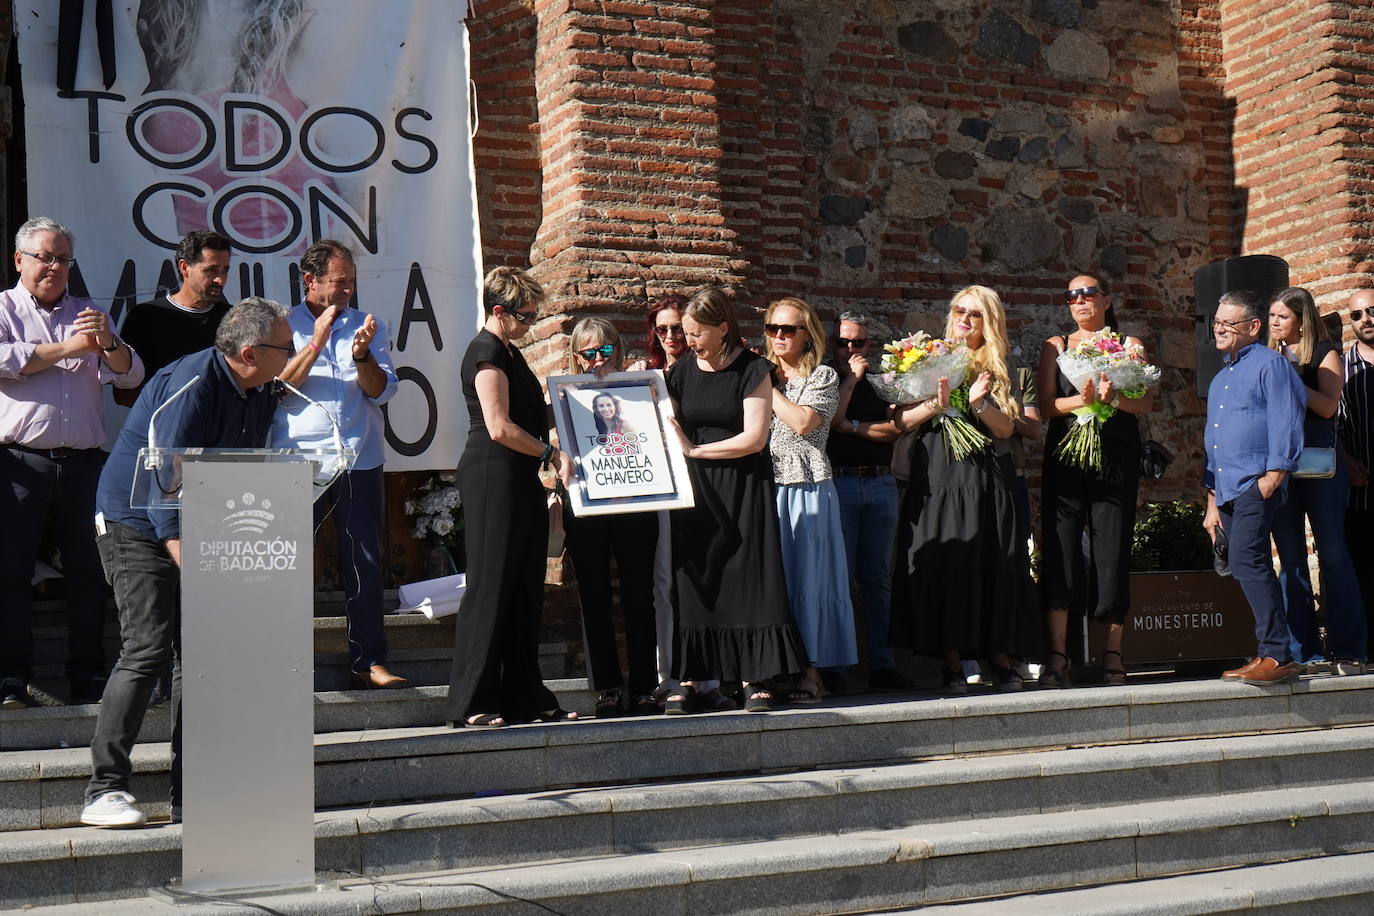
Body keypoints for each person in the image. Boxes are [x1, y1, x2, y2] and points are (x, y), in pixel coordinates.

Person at [79, 297, 292, 827]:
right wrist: (186, 554)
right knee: (148, 646)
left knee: (197, 656)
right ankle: (103, 790)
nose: (292, 354)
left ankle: (194, 789)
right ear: (249, 351)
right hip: (135, 520)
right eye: (285, 347)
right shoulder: (193, 381)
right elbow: (164, 473)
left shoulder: (256, 388)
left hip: (195, 523)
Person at [0, 217, 145, 710]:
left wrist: (109, 343)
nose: (55, 267)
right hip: (19, 463)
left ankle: (87, 676)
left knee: (89, 573)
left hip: (83, 465)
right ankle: (10, 681)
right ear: (20, 259)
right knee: (11, 572)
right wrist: (70, 348)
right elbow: (4, 361)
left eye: (62, 258)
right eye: (45, 256)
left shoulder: (89, 313)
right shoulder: (3, 308)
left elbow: (131, 375)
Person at [889, 285, 1040, 692]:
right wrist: (935, 403)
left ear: (989, 322)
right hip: (940, 475)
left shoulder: (1001, 366)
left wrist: (979, 403)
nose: (965, 319)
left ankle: (999, 657)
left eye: (975, 314)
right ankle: (953, 660)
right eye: (959, 310)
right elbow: (901, 422)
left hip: (990, 477)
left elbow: (1008, 429)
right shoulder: (925, 356)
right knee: (948, 565)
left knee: (996, 564)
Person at [664, 287, 807, 713]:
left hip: (743, 484)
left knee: (748, 577)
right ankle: (692, 677)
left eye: (698, 333)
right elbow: (661, 421)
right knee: (696, 579)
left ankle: (754, 677)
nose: (689, 341)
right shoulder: (680, 372)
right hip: (695, 491)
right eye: (687, 333)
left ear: (723, 327)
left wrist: (696, 451)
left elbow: (753, 438)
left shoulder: (753, 369)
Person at [444, 267, 576, 728]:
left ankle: (525, 696)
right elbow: (499, 426)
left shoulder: (509, 350)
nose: (530, 324)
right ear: (498, 312)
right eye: (525, 316)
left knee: (524, 588)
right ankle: (473, 700)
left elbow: (532, 412)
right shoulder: (485, 352)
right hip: (491, 476)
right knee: (491, 586)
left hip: (517, 477)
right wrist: (550, 453)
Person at [272, 240, 404, 689]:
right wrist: (319, 341)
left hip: (358, 458)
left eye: (351, 281)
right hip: (296, 460)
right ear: (310, 281)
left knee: (364, 562)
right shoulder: (280, 325)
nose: (347, 289)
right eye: (338, 281)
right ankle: (285, 662)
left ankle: (369, 662)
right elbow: (278, 391)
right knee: (287, 564)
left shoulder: (368, 325)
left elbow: (380, 391)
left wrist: (362, 355)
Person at [1037, 274, 1153, 688]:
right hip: (1067, 455)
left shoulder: (1130, 345)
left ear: (1107, 299)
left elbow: (1145, 402)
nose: (1080, 301)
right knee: (1061, 548)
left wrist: (1113, 400)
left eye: (1088, 294)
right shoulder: (1056, 346)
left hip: (1114, 458)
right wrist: (1080, 402)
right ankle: (1058, 654)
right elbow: (1046, 406)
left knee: (1112, 548)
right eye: (1072, 296)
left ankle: (1113, 652)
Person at [627, 295, 735, 712]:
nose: (673, 336)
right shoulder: (645, 375)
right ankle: (670, 675)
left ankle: (709, 677)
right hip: (662, 488)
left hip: (707, 483)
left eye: (679, 328)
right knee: (665, 584)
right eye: (664, 329)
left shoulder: (707, 369)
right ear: (654, 334)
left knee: (709, 577)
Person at [1202, 289, 1306, 685]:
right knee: (1246, 563)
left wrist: (1274, 476)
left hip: (1254, 483)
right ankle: (1266, 651)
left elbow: (1286, 420)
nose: (1220, 330)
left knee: (1248, 561)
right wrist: (1211, 500)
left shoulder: (1270, 365)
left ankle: (1278, 656)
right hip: (1227, 487)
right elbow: (1213, 439)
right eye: (1216, 323)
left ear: (1253, 326)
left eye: (1228, 323)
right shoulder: (1221, 376)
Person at [763, 297, 858, 703]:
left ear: (808, 335)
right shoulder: (759, 373)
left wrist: (765, 387)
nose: (780, 337)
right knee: (773, 583)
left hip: (807, 485)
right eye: (773, 329)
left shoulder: (822, 376)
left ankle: (811, 671)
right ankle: (770, 670)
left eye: (789, 329)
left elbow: (803, 423)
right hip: (766, 487)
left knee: (811, 580)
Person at [1267, 287, 1366, 674]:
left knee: (1333, 552)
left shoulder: (1324, 354)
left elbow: (1327, 406)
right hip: (1280, 467)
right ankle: (1304, 651)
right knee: (1289, 558)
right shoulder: (1267, 357)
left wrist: (1289, 377)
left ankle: (1349, 649)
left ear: (1301, 320)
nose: (1274, 323)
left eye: (1281, 317)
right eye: (1271, 316)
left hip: (1321, 465)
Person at [563, 319, 659, 716]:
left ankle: (643, 688)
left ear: (619, 351)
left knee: (639, 594)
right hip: (586, 502)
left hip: (635, 498)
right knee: (594, 596)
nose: (598, 360)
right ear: (575, 355)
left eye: (606, 351)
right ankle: (606, 688)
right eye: (589, 352)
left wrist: (648, 389)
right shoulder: (561, 393)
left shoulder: (637, 391)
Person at [824, 309, 911, 694]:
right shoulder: (826, 379)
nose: (850, 349)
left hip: (879, 484)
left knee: (878, 580)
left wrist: (855, 428)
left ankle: (883, 665)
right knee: (838, 580)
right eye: (843, 343)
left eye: (858, 342)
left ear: (869, 345)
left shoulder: (881, 383)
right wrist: (851, 381)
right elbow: (830, 421)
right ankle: (837, 668)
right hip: (840, 486)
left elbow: (895, 430)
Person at [114, 230, 233, 408]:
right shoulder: (145, 316)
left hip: (220, 432)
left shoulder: (233, 318)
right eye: (211, 270)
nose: (220, 279)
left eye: (225, 271)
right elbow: (124, 393)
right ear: (184, 267)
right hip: (162, 430)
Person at [1340, 289, 1374, 665]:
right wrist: (1346, 462)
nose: (1366, 319)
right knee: (1362, 571)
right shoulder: (1342, 366)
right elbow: (1331, 426)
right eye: (1357, 315)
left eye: (1371, 311)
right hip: (1358, 491)